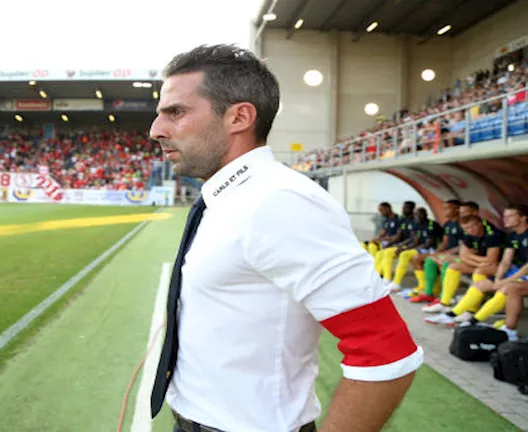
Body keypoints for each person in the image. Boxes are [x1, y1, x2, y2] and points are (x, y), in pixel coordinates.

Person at [149, 44, 423, 432]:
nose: (156, 130)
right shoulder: (231, 197)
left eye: (175, 112)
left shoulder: (278, 202)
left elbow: (385, 351)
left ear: (239, 117)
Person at [425, 204, 528, 329]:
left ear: (523, 218)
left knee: (506, 288)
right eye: (504, 216)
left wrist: (503, 282)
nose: (505, 219)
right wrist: (498, 278)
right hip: (515, 270)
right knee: (480, 283)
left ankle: (473, 321)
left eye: (510, 216)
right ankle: (453, 314)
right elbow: (506, 261)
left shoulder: (493, 233)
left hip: (523, 274)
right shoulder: (512, 235)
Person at [423, 214, 504, 315]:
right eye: (466, 228)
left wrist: (471, 257)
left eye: (472, 226)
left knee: (479, 272)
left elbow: (492, 260)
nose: (470, 230)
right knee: (453, 267)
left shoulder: (492, 234)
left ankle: (472, 309)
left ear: (479, 224)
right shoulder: (468, 234)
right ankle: (445, 303)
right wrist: (479, 262)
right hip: (482, 264)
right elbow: (463, 255)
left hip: (500, 266)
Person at [406, 200, 461, 302]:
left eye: (447, 208)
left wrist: (446, 253)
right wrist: (435, 253)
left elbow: (463, 246)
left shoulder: (463, 224)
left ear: (457, 209)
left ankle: (443, 296)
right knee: (427, 259)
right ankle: (428, 292)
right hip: (448, 253)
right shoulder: (448, 224)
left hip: (460, 256)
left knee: (446, 263)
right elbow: (445, 242)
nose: (444, 211)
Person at [386, 207, 443, 293]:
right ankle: (395, 282)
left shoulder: (432, 225)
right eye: (414, 214)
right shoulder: (417, 224)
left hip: (433, 249)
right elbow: (416, 240)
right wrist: (404, 248)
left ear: (423, 215)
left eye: (417, 214)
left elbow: (428, 245)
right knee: (405, 254)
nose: (415, 216)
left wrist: (407, 249)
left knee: (408, 256)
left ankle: (397, 283)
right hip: (422, 248)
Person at [375, 201, 417, 286]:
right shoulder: (403, 220)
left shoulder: (415, 221)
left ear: (412, 209)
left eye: (406, 208)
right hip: (402, 244)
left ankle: (387, 279)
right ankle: (376, 277)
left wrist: (401, 245)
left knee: (388, 253)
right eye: (403, 207)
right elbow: (399, 235)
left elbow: (413, 238)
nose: (403, 209)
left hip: (411, 246)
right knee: (380, 253)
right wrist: (389, 244)